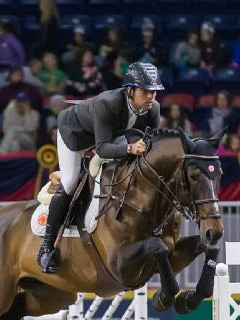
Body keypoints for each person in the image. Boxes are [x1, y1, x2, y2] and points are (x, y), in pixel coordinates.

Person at [37, 62, 162, 273]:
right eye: (145, 91)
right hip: (75, 135)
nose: (151, 97)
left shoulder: (152, 109)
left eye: (154, 92)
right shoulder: (108, 103)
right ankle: (47, 247)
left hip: (110, 134)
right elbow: (103, 149)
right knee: (69, 181)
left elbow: (149, 144)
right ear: (130, 90)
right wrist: (130, 148)